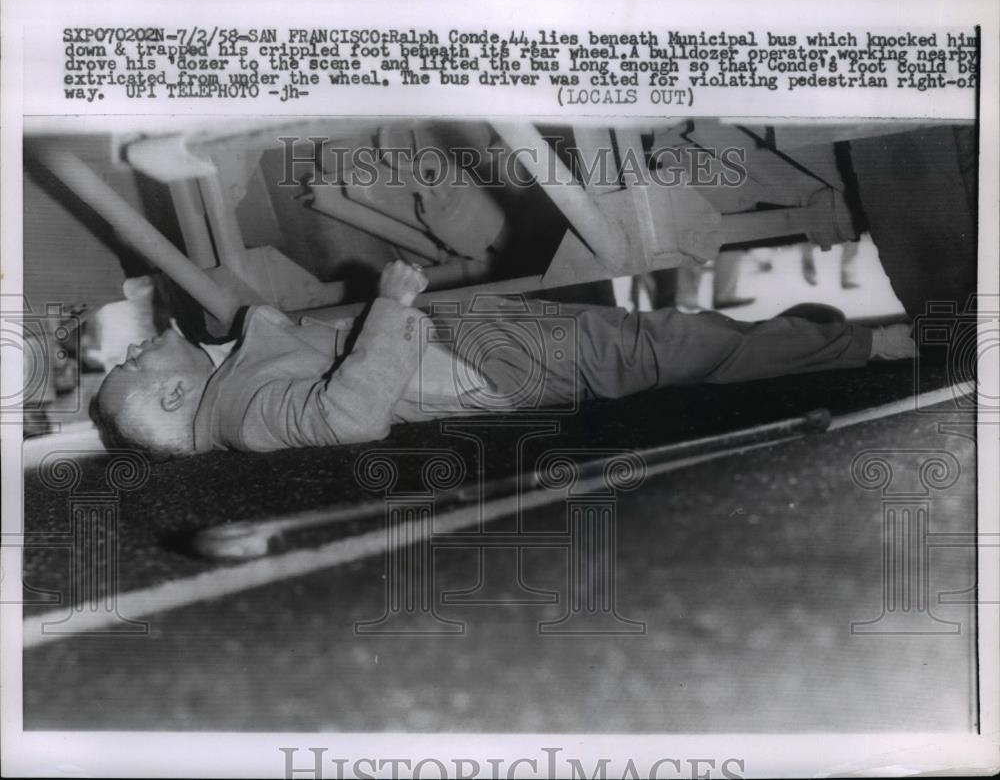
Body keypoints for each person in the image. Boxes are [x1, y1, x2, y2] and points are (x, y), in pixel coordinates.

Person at [91, 260, 915, 458]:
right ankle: (858, 346)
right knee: (663, 345)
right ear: (170, 399)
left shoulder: (227, 384)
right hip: (479, 361)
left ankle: (808, 342)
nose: (140, 341)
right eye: (136, 359)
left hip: (465, 348)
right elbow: (349, 415)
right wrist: (392, 306)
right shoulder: (238, 411)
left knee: (660, 344)